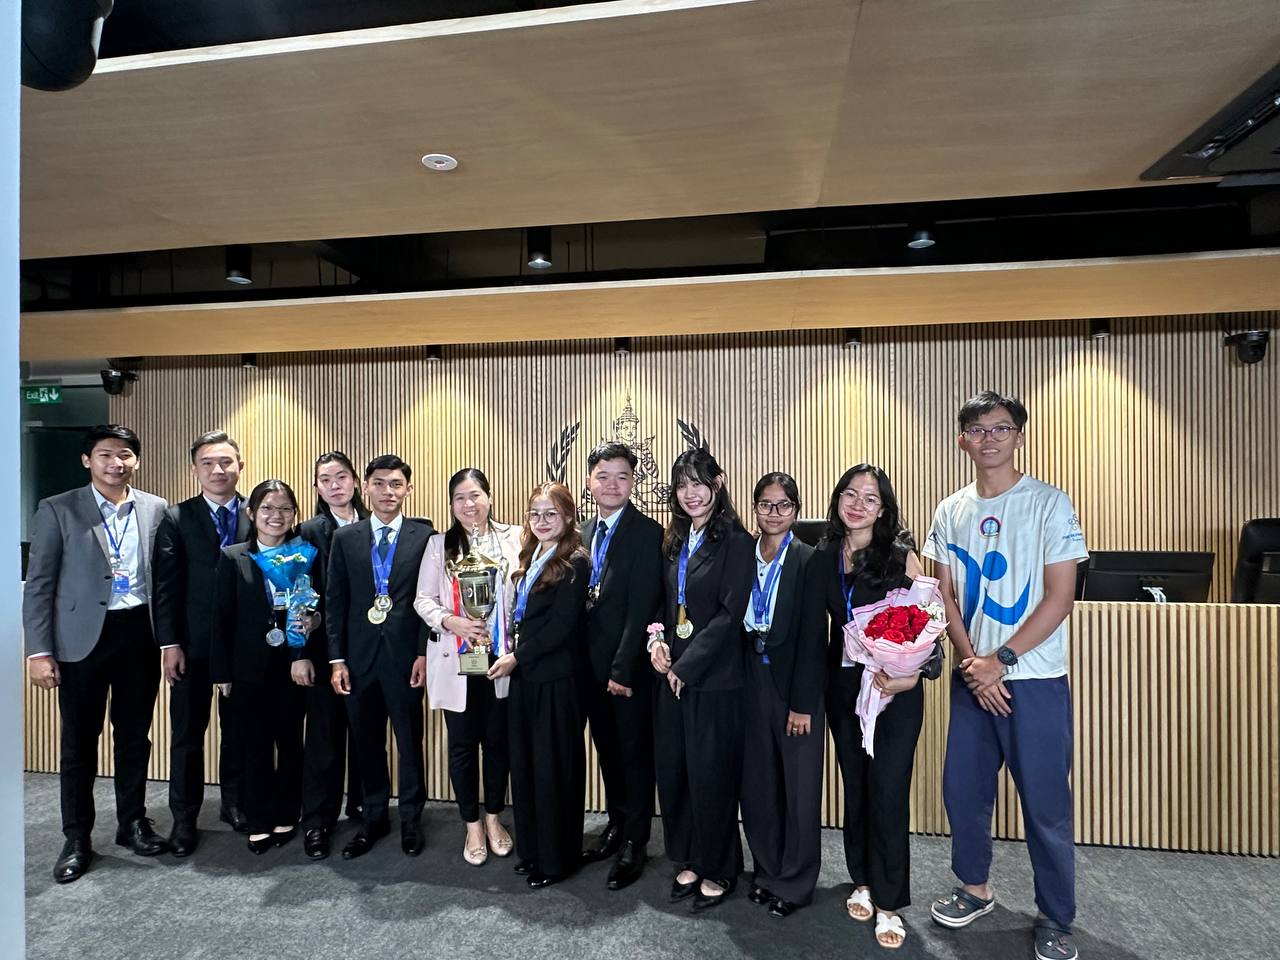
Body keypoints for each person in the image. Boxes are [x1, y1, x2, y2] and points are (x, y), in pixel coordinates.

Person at [922, 392, 1087, 960]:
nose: (988, 438)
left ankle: (1056, 916)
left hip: (1034, 680)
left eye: (1000, 428)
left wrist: (1002, 661)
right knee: (963, 792)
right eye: (977, 429)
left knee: (1045, 803)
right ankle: (974, 889)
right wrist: (975, 664)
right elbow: (943, 594)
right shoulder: (950, 510)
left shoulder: (1049, 503)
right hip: (974, 678)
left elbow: (1060, 597)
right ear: (962, 440)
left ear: (1019, 436)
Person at [24, 424, 170, 883]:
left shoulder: (155, 508)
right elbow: (40, 584)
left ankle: (132, 823)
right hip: (80, 639)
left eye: (124, 454)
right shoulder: (58, 508)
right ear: (87, 460)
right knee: (79, 743)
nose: (116, 463)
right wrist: (39, 651)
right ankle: (77, 837)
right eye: (105, 454)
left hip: (139, 634)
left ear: (136, 461)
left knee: (134, 737)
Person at [821, 464, 941, 950]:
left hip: (895, 690)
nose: (857, 505)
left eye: (870, 498)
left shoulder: (900, 556)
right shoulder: (824, 554)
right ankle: (863, 879)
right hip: (843, 689)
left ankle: (889, 902)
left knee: (888, 791)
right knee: (856, 787)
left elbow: (930, 625)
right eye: (850, 494)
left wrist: (914, 673)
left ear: (883, 509)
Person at [649, 448, 754, 912]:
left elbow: (730, 616)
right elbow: (664, 601)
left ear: (718, 482)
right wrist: (656, 642)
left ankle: (720, 866)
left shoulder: (736, 540)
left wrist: (685, 668)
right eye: (682, 485)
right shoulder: (675, 538)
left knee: (712, 776)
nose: (690, 493)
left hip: (714, 679)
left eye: (698, 483)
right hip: (670, 673)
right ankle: (689, 856)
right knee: (677, 772)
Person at [327, 454, 434, 859]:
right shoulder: (346, 538)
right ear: (365, 487)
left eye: (396, 484)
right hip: (358, 660)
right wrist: (337, 659)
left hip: (405, 659)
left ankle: (411, 819)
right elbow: (335, 601)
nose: (388, 492)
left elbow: (429, 599)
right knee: (366, 742)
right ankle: (373, 817)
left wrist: (423, 652)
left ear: (408, 489)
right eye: (379, 483)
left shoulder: (425, 536)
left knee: (409, 742)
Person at [413, 468, 519, 866]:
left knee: (497, 743)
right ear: (451, 504)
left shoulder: (514, 537)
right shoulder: (439, 545)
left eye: (475, 495)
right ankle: (471, 823)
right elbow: (422, 599)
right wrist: (451, 621)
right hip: (456, 657)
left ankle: (493, 818)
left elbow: (523, 595)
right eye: (459, 497)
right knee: (461, 745)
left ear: (489, 497)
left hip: (500, 657)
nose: (468, 504)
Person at [211, 480, 322, 854]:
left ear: (295, 514)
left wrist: (313, 623)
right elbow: (220, 618)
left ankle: (287, 813)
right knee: (253, 745)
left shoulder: (304, 554)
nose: (277, 516)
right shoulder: (234, 557)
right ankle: (258, 818)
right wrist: (222, 673)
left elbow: (317, 607)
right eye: (268, 508)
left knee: (290, 742)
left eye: (285, 509)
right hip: (247, 668)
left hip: (294, 665)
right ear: (252, 513)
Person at [153, 429, 250, 856]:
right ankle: (184, 818)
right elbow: (165, 586)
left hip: (243, 645)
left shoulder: (258, 511)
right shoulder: (177, 517)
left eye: (226, 461)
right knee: (188, 734)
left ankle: (235, 804)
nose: (218, 470)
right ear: (195, 470)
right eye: (208, 463)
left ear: (240, 465)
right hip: (191, 645)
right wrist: (169, 643)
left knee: (239, 731)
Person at [488, 483, 590, 888]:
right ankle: (532, 850)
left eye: (551, 513)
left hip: (556, 680)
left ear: (568, 517)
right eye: (535, 514)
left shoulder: (575, 561)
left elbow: (562, 626)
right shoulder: (529, 556)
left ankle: (557, 860)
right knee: (527, 766)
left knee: (553, 770)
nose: (542, 521)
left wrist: (516, 657)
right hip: (526, 678)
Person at [739, 472, 826, 919]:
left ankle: (795, 881)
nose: (774, 513)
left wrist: (803, 704)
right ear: (754, 507)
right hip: (748, 680)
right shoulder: (742, 553)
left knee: (798, 788)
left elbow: (814, 637)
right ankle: (767, 870)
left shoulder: (809, 559)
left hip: (793, 687)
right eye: (765, 504)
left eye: (784, 505)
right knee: (758, 784)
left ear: (796, 510)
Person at [577, 443, 662, 890]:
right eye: (603, 476)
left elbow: (641, 607)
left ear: (633, 482)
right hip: (586, 669)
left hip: (625, 670)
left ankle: (635, 841)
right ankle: (615, 824)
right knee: (607, 751)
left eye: (622, 476)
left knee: (633, 755)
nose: (612, 484)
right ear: (589, 481)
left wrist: (622, 669)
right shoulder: (581, 531)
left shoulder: (648, 533)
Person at [296, 451, 368, 859]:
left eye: (341, 477)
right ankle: (318, 821)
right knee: (324, 738)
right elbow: (299, 597)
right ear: (317, 488)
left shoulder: (375, 523)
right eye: (325, 480)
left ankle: (363, 807)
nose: (335, 485)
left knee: (366, 733)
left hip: (371, 648)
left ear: (355, 481)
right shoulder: (309, 532)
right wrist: (302, 652)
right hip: (325, 649)